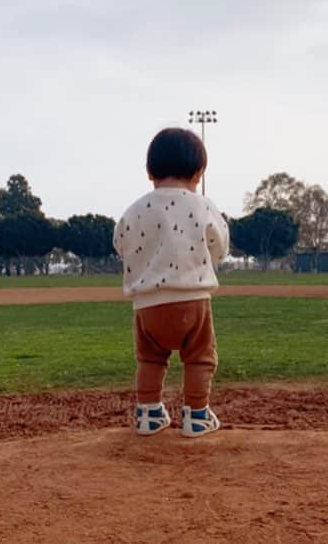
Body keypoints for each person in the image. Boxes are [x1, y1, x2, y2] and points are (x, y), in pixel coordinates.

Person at [113, 127, 229, 437]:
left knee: (150, 359)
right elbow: (220, 245)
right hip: (192, 299)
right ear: (199, 173)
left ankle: (149, 414)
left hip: (147, 304)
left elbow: (119, 243)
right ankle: (197, 414)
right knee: (199, 359)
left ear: (150, 171)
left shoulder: (134, 210)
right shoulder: (203, 205)